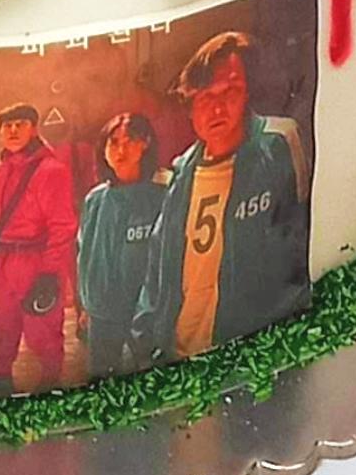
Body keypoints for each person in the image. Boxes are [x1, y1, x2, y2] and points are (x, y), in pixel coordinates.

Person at [131, 33, 311, 365]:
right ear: (189, 105)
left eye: (230, 91)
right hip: (180, 357)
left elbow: (304, 247)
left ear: (248, 93)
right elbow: (157, 266)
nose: (216, 108)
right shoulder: (182, 172)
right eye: (204, 97)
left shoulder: (278, 145)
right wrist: (145, 342)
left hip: (249, 361)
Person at [0, 103, 78, 392]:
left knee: (42, 325)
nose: (13, 131)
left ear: (34, 129)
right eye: (7, 126)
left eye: (20, 124)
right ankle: (1, 376)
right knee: (1, 320)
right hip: (7, 259)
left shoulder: (51, 171)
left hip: (37, 258)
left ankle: (50, 382)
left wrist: (50, 272)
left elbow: (62, 226)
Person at [75, 112, 166, 379]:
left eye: (129, 141)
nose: (120, 150)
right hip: (102, 314)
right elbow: (85, 254)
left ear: (145, 143)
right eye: (113, 142)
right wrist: (86, 305)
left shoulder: (162, 194)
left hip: (145, 314)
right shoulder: (96, 200)